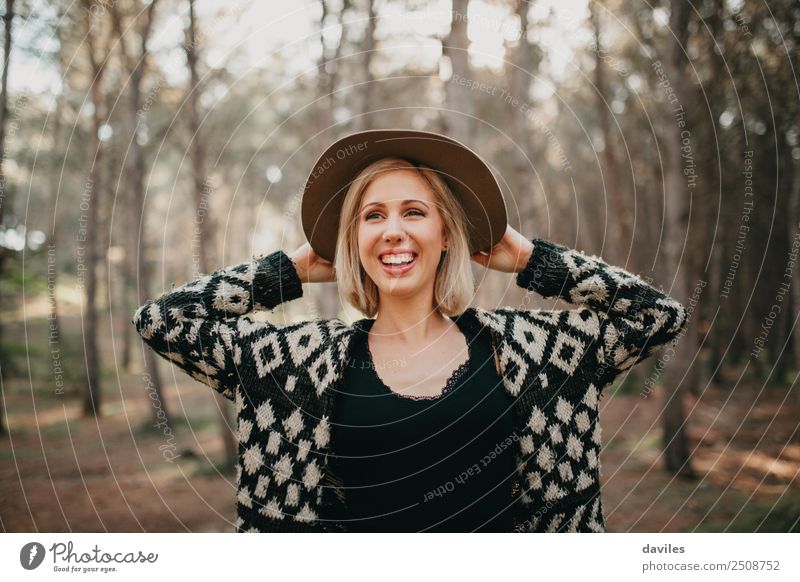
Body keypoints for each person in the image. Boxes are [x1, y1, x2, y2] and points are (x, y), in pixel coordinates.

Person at [133, 129, 688, 533]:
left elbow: (657, 316)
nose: (393, 231)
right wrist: (292, 269)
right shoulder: (296, 361)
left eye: (414, 212)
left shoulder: (538, 350)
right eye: (372, 217)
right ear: (353, 242)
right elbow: (163, 321)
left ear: (447, 234)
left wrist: (529, 258)